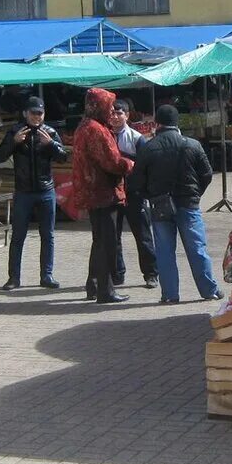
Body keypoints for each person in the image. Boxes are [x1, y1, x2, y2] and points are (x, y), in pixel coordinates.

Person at [127, 105, 222, 304]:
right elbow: (207, 173)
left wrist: (151, 196)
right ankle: (209, 290)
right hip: (188, 202)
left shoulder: (148, 147)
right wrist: (196, 193)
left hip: (160, 205)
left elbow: (136, 181)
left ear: (157, 123)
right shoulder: (192, 145)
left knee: (164, 251)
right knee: (197, 248)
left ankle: (170, 295)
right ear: (177, 123)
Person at [0, 97, 70, 291]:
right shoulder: (15, 131)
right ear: (25, 113)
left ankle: (46, 276)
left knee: (48, 235)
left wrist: (51, 144)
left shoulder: (50, 132)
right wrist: (13, 143)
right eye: (33, 113)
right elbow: (0, 156)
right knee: (18, 236)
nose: (37, 117)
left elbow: (63, 157)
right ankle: (14, 278)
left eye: (40, 113)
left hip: (46, 191)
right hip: (24, 192)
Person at [71, 89, 135, 304]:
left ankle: (94, 285)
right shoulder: (96, 129)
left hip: (91, 192)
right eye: (109, 106)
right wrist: (130, 164)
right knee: (106, 243)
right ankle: (105, 291)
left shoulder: (83, 126)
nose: (112, 111)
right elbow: (111, 162)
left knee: (99, 241)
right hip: (103, 192)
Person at [108, 99, 158, 289]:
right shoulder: (106, 136)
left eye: (119, 113)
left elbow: (145, 168)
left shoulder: (137, 139)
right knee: (114, 235)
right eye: (113, 113)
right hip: (113, 193)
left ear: (127, 116)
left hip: (134, 194)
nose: (115, 116)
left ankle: (151, 274)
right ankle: (117, 274)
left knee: (143, 235)